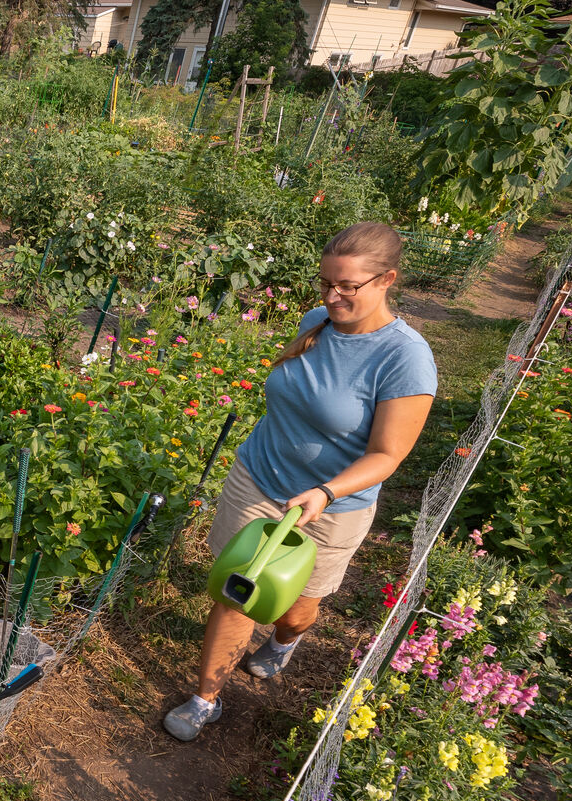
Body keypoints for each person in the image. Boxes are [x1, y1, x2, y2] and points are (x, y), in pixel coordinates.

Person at [164, 222, 437, 741]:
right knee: (237, 591)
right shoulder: (320, 320)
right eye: (326, 284)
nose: (333, 297)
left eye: (347, 287)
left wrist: (326, 490)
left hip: (330, 508)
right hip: (260, 478)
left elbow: (387, 454)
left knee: (294, 609)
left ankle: (285, 643)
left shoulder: (405, 359)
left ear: (387, 280)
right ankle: (206, 698)